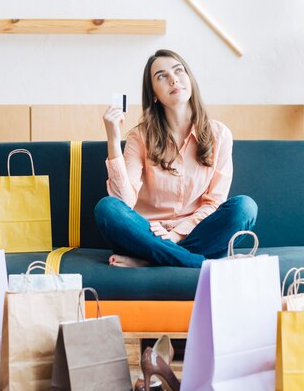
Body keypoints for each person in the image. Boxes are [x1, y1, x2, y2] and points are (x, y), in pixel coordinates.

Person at [94, 49, 257, 268]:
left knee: (245, 207)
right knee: (107, 208)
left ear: (189, 79)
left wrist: (176, 236)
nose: (173, 79)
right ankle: (200, 263)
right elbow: (124, 203)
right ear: (153, 93)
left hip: (194, 234)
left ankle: (151, 260)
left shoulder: (220, 135)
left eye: (178, 71)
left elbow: (214, 203)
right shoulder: (139, 136)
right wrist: (113, 138)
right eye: (161, 76)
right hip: (146, 234)